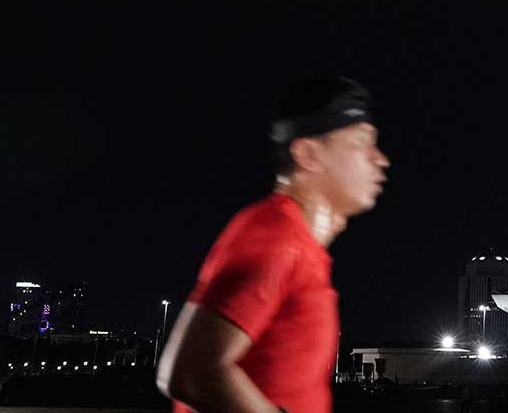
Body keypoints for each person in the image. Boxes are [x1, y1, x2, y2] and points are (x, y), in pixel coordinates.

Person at [157, 77, 390, 413]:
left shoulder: (303, 250)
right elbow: (190, 373)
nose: (381, 159)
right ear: (308, 154)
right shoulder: (276, 238)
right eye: (361, 143)